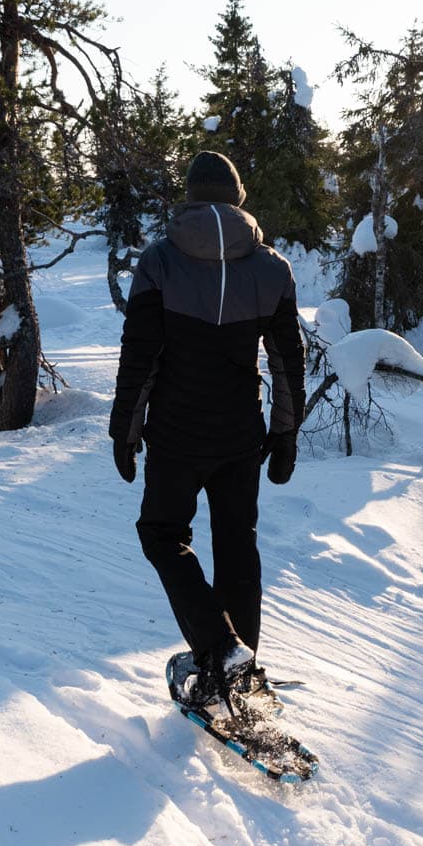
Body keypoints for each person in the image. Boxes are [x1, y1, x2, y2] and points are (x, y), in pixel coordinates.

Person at [110, 150, 307, 713]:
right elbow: (287, 362)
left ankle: (220, 650)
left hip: (177, 435)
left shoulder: (160, 262)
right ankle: (234, 677)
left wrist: (125, 430)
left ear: (191, 197)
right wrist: (286, 433)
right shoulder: (272, 268)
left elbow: (140, 357)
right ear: (238, 198)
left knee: (162, 534)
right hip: (240, 434)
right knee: (237, 547)